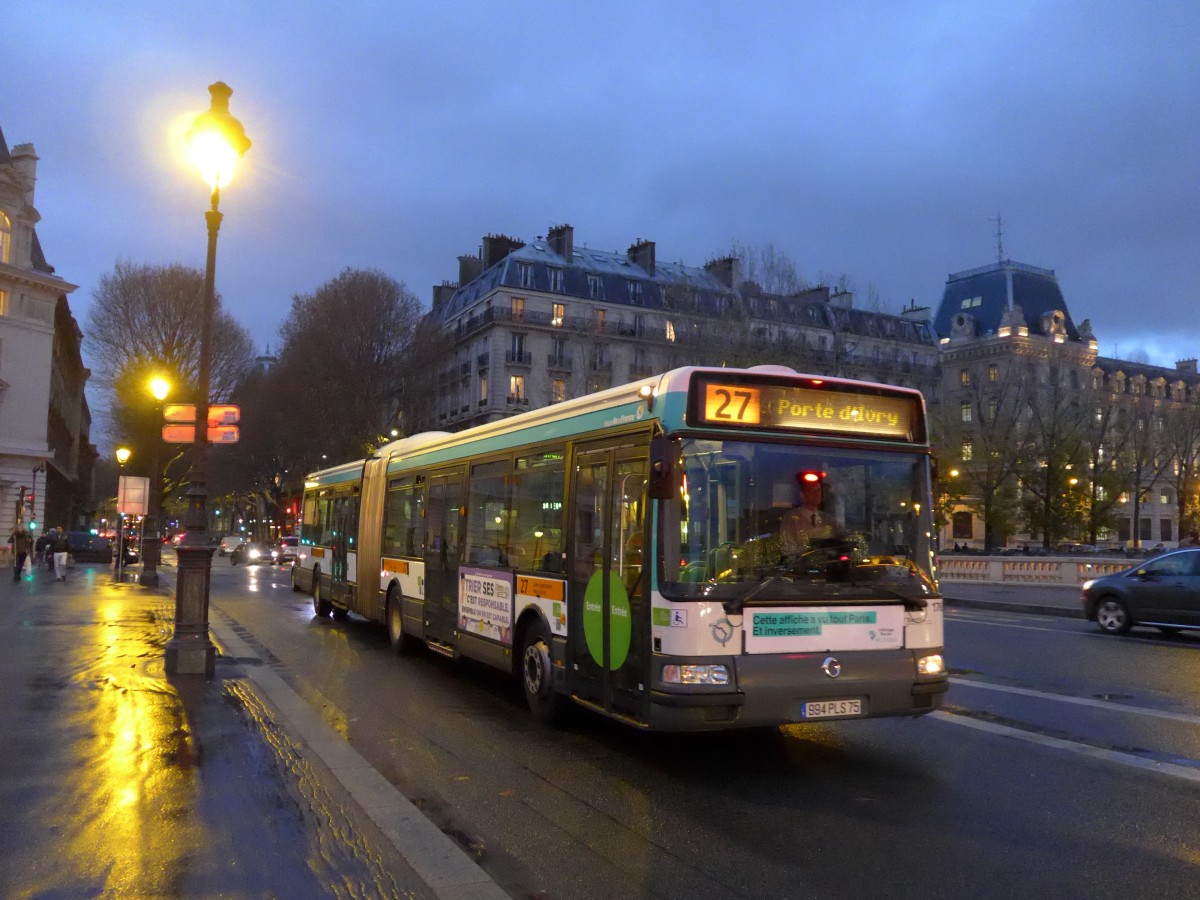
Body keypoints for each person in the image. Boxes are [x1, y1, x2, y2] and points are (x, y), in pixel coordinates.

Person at [780, 474, 839, 555]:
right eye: (811, 490)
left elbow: (843, 537)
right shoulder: (791, 518)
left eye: (818, 490)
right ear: (802, 495)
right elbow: (788, 548)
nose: (816, 494)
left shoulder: (828, 519)